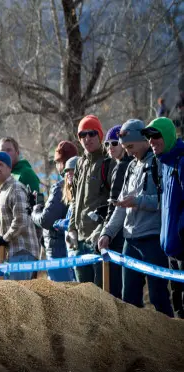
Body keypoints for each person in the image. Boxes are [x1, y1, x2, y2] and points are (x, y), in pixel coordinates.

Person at [98, 120, 173, 317]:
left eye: (130, 146)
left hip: (153, 240)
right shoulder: (130, 166)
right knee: (128, 299)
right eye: (125, 148)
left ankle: (170, 342)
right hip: (129, 242)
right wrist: (108, 232)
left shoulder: (159, 163)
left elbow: (164, 201)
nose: (129, 152)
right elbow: (121, 208)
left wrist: (137, 201)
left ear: (144, 140)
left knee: (158, 297)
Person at [142, 117, 184, 318]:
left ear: (167, 136)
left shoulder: (181, 161)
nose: (151, 141)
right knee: (178, 309)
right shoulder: (163, 164)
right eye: (149, 137)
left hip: (182, 248)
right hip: (171, 250)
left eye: (155, 135)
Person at [67, 115, 114, 287]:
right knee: (82, 297)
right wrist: (72, 229)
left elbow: (113, 205)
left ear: (100, 135)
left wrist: (101, 232)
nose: (87, 138)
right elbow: (75, 201)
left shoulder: (109, 163)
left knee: (101, 298)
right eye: (82, 135)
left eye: (92, 133)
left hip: (98, 241)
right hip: (79, 241)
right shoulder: (79, 163)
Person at [31, 141, 78, 282]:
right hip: (68, 250)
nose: (57, 166)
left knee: (62, 298)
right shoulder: (79, 184)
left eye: (58, 162)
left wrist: (35, 210)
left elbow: (46, 220)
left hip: (58, 251)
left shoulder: (60, 186)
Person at [0, 151, 40, 280]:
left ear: (9, 168)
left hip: (23, 251)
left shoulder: (16, 188)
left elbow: (21, 221)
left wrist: (4, 239)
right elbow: (3, 223)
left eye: (0, 164)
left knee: (19, 298)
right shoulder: (3, 190)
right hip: (11, 252)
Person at [99, 124, 133, 299]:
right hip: (121, 230)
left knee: (116, 293)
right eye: (107, 144)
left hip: (119, 235)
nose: (110, 148)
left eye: (114, 143)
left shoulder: (122, 167)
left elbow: (116, 205)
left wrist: (106, 231)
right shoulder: (119, 165)